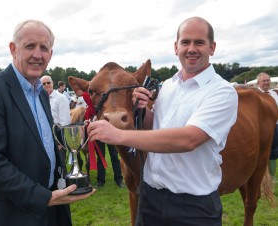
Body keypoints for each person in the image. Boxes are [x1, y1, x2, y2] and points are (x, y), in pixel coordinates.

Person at [87, 16, 238, 225]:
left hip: (193, 207)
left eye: (199, 42)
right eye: (185, 42)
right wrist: (144, 110)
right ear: (176, 47)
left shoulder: (222, 92)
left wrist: (119, 135)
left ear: (212, 48)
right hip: (150, 199)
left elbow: (189, 140)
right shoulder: (168, 86)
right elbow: (155, 127)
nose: (191, 48)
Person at [0, 19, 94, 226]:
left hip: (49, 208)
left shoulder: (41, 94)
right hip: (8, 213)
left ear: (50, 54)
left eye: (44, 48)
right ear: (13, 49)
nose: (37, 54)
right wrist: (42, 197)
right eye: (30, 46)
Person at [40, 75, 71, 169]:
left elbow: (65, 121)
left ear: (52, 83)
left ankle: (64, 184)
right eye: (43, 84)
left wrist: (60, 142)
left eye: (48, 82)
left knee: (60, 166)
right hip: (43, 137)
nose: (46, 85)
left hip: (57, 135)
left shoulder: (61, 98)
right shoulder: (39, 98)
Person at [257, 72, 278, 183]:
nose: (266, 82)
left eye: (268, 80)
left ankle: (272, 176)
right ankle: (262, 176)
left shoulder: (274, 94)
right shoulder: (255, 95)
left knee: (274, 151)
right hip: (262, 127)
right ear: (258, 83)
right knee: (263, 151)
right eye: (264, 81)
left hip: (276, 125)